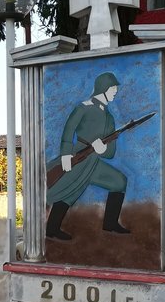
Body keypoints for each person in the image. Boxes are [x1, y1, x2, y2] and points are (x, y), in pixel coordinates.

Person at [46, 72, 130, 241]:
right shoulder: (84, 107)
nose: (115, 92)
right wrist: (66, 155)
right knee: (68, 190)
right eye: (113, 89)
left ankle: (110, 223)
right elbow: (69, 129)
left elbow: (110, 152)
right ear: (103, 88)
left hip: (94, 162)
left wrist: (101, 149)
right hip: (79, 156)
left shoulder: (109, 118)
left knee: (119, 181)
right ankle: (52, 229)